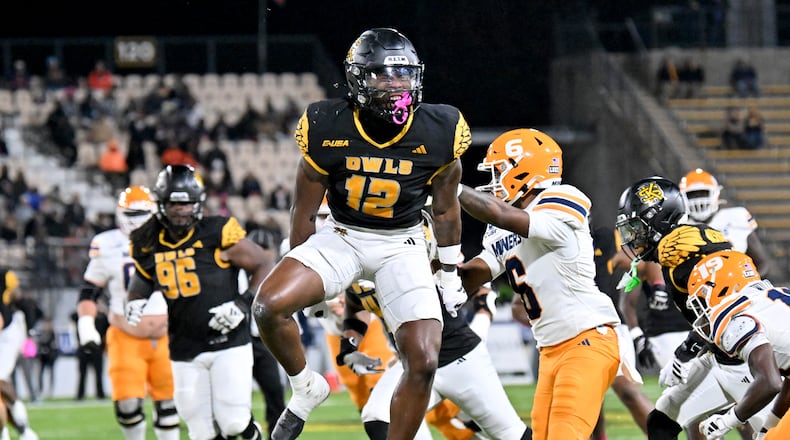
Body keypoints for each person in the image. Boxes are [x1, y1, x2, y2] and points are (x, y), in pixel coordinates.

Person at [252, 27, 470, 440]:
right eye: (383, 74)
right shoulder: (326, 123)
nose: (395, 84)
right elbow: (304, 212)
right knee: (268, 306)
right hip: (342, 235)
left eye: (403, 73)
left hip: (403, 243)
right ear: (358, 78)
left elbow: (445, 209)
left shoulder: (441, 128)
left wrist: (448, 272)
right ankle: (306, 386)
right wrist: (311, 283)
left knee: (424, 359)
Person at [456, 128, 632, 439]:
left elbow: (501, 215)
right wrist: (436, 267)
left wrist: (450, 186)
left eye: (499, 171)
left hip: (587, 339)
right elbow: (472, 276)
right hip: (550, 348)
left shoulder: (560, 199)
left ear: (523, 169)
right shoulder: (503, 225)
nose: (494, 181)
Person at [349, 210, 530, 440]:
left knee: (510, 434)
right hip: (412, 363)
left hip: (458, 357)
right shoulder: (365, 265)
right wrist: (349, 342)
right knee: (377, 415)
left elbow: (457, 269)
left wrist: (482, 304)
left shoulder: (415, 246)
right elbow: (354, 302)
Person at [615, 176, 771, 439]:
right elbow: (711, 318)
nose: (633, 237)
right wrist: (687, 353)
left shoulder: (684, 255)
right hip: (725, 346)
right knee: (667, 418)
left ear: (659, 220)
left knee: (760, 428)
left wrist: (684, 353)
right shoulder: (677, 250)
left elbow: (722, 313)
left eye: (637, 227)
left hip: (747, 350)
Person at [125, 164, 273, 440]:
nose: (181, 211)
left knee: (233, 422)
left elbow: (264, 263)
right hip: (184, 345)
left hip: (228, 341)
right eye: (174, 204)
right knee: (200, 431)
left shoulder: (217, 231)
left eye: (186, 204)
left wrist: (243, 305)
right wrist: (135, 299)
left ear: (198, 202)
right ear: (162, 203)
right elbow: (144, 275)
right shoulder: (147, 239)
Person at [77, 185, 179, 440]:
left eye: (141, 214)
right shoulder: (107, 244)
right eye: (130, 213)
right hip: (126, 335)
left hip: (169, 336)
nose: (135, 220)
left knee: (170, 405)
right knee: (127, 406)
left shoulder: (174, 239)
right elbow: (89, 291)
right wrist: (86, 324)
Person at [685, 250, 790, 440]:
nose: (703, 309)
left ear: (720, 288)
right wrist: (767, 429)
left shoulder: (739, 320)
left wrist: (727, 421)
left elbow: (771, 383)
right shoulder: (768, 301)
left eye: (702, 299)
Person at [589, 225, 656, 438]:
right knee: (589, 397)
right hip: (579, 324)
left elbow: (639, 262)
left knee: (627, 391)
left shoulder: (602, 235)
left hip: (608, 324)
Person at [679, 168, 773, 277]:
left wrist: (749, 282)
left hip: (739, 281)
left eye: (703, 193)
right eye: (692, 195)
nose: (698, 199)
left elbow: (762, 263)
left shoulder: (736, 216)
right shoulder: (680, 227)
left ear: (716, 194)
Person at [244, 228, 286, 438]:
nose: (261, 253)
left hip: (264, 342)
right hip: (239, 342)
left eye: (264, 248)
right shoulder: (236, 272)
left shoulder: (278, 273)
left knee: (275, 393)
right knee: (236, 398)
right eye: (257, 248)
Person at [0, 268, 39, 440]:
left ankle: (23, 427)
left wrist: (29, 333)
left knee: (0, 379)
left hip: (8, 334)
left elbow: (17, 295)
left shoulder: (3, 273)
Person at [71, 307, 108, 400]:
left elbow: (107, 327)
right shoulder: (82, 316)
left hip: (97, 349)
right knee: (82, 374)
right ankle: (80, 395)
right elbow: (72, 316)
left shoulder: (101, 317)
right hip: (83, 348)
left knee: (98, 374)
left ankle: (100, 394)